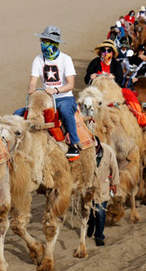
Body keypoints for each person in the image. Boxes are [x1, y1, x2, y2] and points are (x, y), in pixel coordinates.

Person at [15, 25, 81, 159]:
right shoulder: (38, 59)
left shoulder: (65, 59)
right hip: (46, 100)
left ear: (54, 44)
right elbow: (33, 80)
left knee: (64, 110)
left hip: (64, 97)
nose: (43, 44)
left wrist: (56, 90)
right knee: (17, 114)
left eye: (46, 41)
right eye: (43, 41)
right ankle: (19, 144)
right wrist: (32, 87)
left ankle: (74, 143)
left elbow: (70, 85)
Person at [86, 137, 119, 246]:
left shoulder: (108, 151)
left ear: (98, 147)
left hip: (103, 186)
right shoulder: (86, 154)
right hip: (89, 187)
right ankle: (91, 224)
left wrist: (114, 184)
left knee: (100, 212)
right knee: (90, 209)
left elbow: (114, 167)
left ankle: (99, 236)